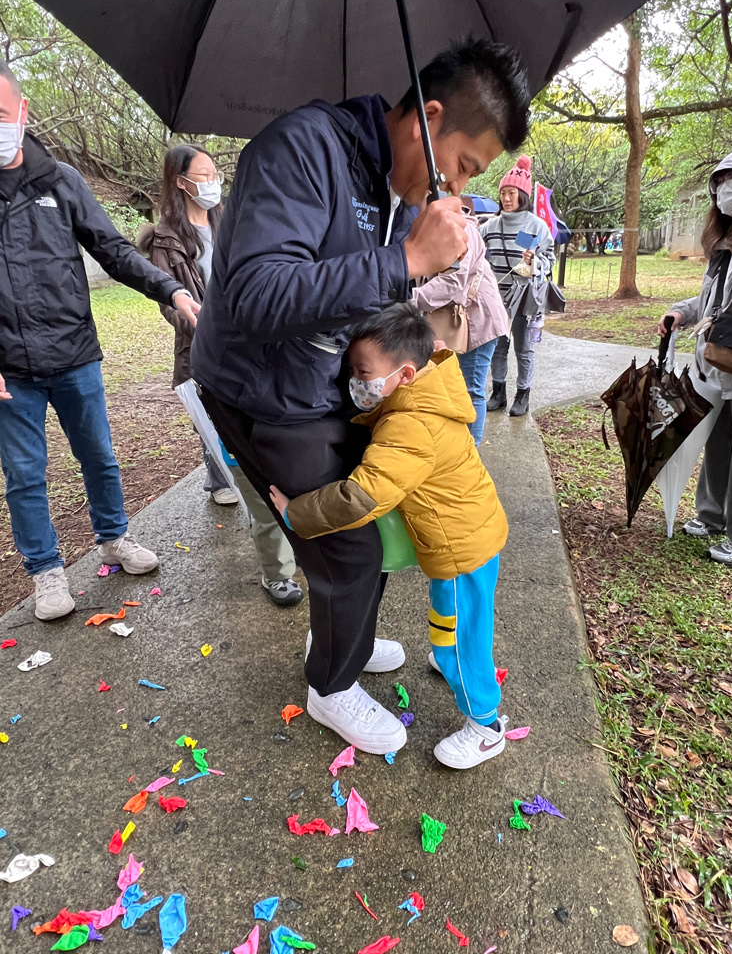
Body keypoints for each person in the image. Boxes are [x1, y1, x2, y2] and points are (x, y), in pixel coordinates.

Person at [193, 38, 529, 754]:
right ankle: (331, 685)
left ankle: (347, 634)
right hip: (260, 386)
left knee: (369, 519)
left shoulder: (399, 192)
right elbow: (255, 294)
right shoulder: (302, 149)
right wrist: (407, 258)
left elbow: (375, 304)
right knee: (346, 548)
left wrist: (413, 349)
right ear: (428, 120)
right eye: (465, 165)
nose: (462, 185)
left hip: (329, 384)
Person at [0, 60, 200, 620]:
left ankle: (114, 538)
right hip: (9, 368)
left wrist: (170, 289)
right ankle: (45, 571)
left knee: (99, 455)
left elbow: (113, 250)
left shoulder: (61, 181)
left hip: (74, 354)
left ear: (22, 111)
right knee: (24, 475)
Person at [270, 307, 509, 768]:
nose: (356, 382)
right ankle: (455, 657)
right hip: (471, 533)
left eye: (364, 373)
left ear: (404, 373)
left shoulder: (411, 425)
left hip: (461, 551)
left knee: (458, 638)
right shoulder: (427, 391)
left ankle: (486, 726)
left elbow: (363, 496)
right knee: (459, 623)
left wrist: (295, 513)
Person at [139, 145, 303, 607]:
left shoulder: (231, 221)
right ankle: (277, 570)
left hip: (262, 358)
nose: (213, 181)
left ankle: (288, 544)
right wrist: (220, 327)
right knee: (244, 466)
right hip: (210, 364)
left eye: (215, 172)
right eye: (203, 173)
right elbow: (174, 307)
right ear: (180, 181)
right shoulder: (166, 240)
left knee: (273, 459)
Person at [659, 141, 732, 566]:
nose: (726, 187)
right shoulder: (727, 239)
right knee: (718, 445)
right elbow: (714, 298)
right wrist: (681, 313)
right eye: (720, 180)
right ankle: (712, 515)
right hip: (717, 361)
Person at [411, 197, 508, 444]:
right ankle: (457, 446)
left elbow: (453, 282)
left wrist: (409, 300)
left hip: (478, 321)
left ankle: (471, 451)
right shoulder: (427, 230)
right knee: (452, 386)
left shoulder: (462, 230)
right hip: (455, 318)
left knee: (471, 389)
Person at [480, 155, 555, 416]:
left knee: (523, 349)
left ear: (523, 195)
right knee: (498, 348)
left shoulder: (537, 227)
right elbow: (475, 255)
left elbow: (550, 259)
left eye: (511, 193)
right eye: (503, 193)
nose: (506, 198)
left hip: (524, 299)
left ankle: (523, 395)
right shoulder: (489, 226)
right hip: (495, 299)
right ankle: (498, 393)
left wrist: (535, 262)